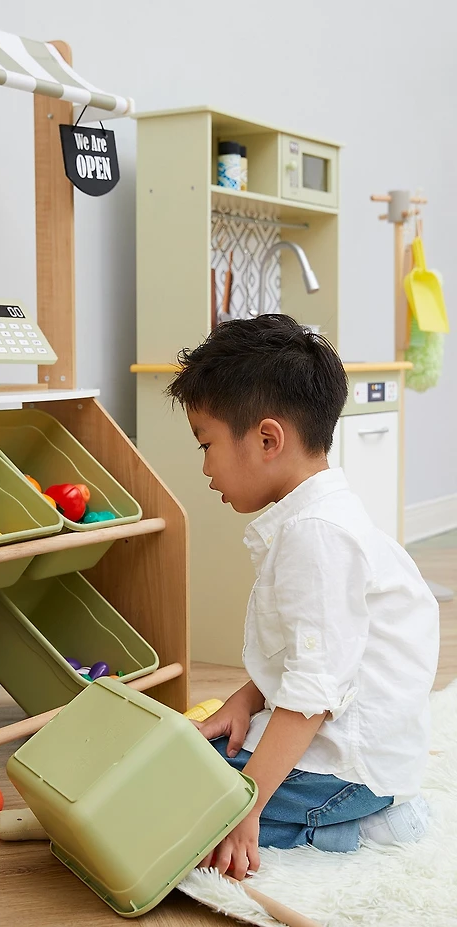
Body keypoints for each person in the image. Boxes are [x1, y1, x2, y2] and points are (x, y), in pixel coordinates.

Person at [167, 315, 439, 880]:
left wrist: (247, 805)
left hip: (346, 775)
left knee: (179, 818)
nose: (205, 467)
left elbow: (313, 691)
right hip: (334, 748)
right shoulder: (314, 521)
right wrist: (244, 699)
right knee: (179, 763)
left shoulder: (317, 536)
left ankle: (359, 824)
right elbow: (308, 652)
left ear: (268, 439)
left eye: (207, 444)